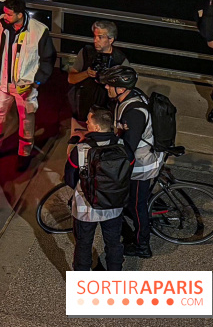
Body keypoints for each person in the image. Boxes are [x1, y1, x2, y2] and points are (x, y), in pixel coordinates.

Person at [0, 0, 57, 171]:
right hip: (2, 83)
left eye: (9, 14)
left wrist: (37, 82)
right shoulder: (1, 23)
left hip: (25, 86)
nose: (5, 16)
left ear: (20, 14)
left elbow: (48, 59)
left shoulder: (39, 31)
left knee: (26, 122)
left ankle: (24, 154)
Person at [99, 65, 163, 259]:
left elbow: (128, 149)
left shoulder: (134, 112)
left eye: (110, 85)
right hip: (140, 160)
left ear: (121, 88)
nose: (106, 88)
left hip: (142, 166)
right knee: (131, 202)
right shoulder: (127, 98)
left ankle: (143, 246)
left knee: (137, 206)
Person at [65, 106, 128, 271]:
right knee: (113, 243)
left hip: (86, 207)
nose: (86, 123)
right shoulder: (123, 146)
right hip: (114, 205)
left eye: (89, 121)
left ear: (97, 127)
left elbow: (70, 178)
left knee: (84, 244)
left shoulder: (80, 149)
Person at [67, 20, 129, 142]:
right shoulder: (85, 53)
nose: (95, 40)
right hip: (82, 110)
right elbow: (71, 78)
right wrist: (87, 73)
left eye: (100, 37)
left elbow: (124, 91)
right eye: (95, 36)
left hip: (104, 117)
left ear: (111, 40)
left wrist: (106, 78)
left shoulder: (120, 61)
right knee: (75, 145)